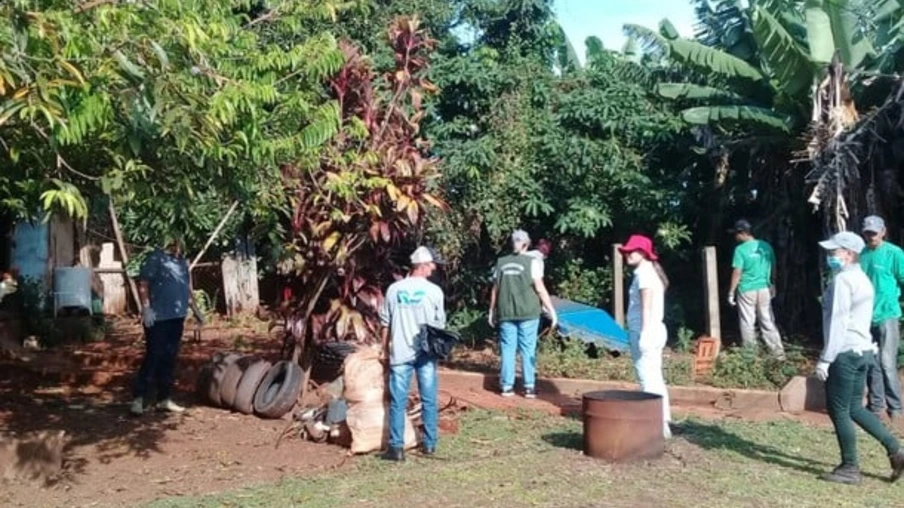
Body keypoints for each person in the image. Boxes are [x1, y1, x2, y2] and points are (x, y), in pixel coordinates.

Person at [816, 231, 904, 485]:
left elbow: (839, 321)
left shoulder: (843, 280)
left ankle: (849, 467)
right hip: (863, 350)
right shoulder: (863, 279)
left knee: (838, 408)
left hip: (844, 351)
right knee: (854, 406)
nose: (831, 256)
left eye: (835, 251)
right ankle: (895, 449)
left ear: (849, 253)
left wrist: (826, 358)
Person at [380, 246, 446, 462]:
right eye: (431, 265)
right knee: (429, 398)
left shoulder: (394, 289)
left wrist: (384, 348)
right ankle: (429, 444)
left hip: (400, 352)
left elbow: (385, 323)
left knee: (398, 400)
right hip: (426, 353)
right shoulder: (435, 291)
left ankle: (396, 448)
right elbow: (440, 325)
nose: (434, 268)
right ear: (422, 266)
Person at [131, 236, 204, 416]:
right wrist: (146, 308)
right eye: (176, 244)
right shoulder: (155, 258)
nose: (178, 247)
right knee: (154, 356)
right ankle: (139, 398)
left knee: (169, 357)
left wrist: (196, 310)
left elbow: (185, 288)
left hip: (176, 317)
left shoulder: (181, 263)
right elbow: (144, 284)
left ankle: (164, 399)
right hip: (158, 318)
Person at [489, 230, 557, 399]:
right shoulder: (532, 262)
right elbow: (540, 288)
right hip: (528, 312)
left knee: (508, 349)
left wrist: (491, 311)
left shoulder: (501, 262)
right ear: (527, 244)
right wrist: (551, 310)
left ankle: (506, 387)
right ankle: (529, 387)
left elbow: (495, 289)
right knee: (528, 349)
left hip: (506, 312)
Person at [619, 234, 672, 438]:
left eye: (631, 251)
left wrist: (644, 333)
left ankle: (655, 424)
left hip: (646, 330)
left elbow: (646, 306)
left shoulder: (644, 275)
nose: (627, 254)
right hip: (653, 329)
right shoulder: (648, 272)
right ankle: (663, 421)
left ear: (642, 253)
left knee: (647, 379)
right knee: (655, 377)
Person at [860, 215, 904, 422]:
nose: (871, 236)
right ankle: (876, 406)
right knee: (871, 363)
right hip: (866, 317)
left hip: (887, 314)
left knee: (887, 362)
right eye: (868, 232)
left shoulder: (894, 253)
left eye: (874, 232)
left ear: (883, 232)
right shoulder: (861, 254)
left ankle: (896, 408)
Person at [727, 219, 785, 358]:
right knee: (767, 320)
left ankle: (750, 355)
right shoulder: (765, 246)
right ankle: (778, 353)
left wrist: (731, 292)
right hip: (764, 288)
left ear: (742, 233)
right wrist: (773, 283)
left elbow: (737, 272)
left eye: (736, 234)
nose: (735, 237)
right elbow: (773, 267)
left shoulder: (740, 250)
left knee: (747, 321)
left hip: (747, 289)